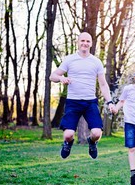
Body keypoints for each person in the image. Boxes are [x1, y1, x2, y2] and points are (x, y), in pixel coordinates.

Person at [49, 32, 115, 160]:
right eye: (82, 41)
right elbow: (52, 76)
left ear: (91, 43)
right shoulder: (69, 59)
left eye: (88, 41)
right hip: (73, 102)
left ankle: (92, 142)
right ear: (78, 42)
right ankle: (68, 143)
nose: (85, 43)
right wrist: (61, 78)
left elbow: (103, 84)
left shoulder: (96, 62)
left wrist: (110, 102)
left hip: (90, 102)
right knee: (68, 134)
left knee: (96, 133)